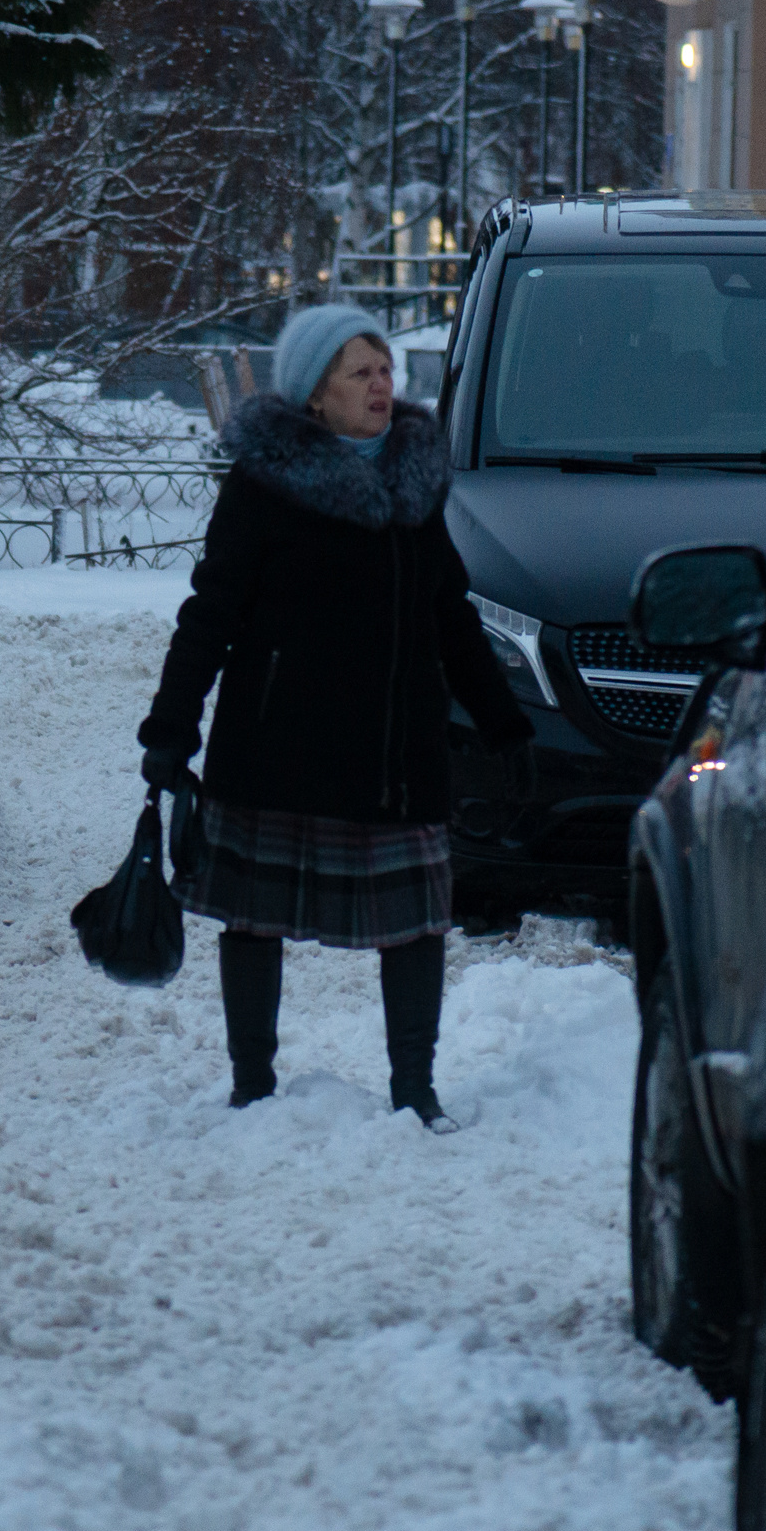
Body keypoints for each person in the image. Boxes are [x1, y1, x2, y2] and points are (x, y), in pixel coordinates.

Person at [136, 304, 534, 1131]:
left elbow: (451, 615)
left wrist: (505, 724)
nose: (383, 386)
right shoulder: (264, 487)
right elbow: (210, 613)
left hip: (394, 748)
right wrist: (170, 732)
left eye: (385, 370)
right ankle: (252, 1085)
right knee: (253, 918)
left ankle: (414, 1091)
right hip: (277, 744)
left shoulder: (414, 483)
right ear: (316, 395)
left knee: (418, 920)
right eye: (361, 373)